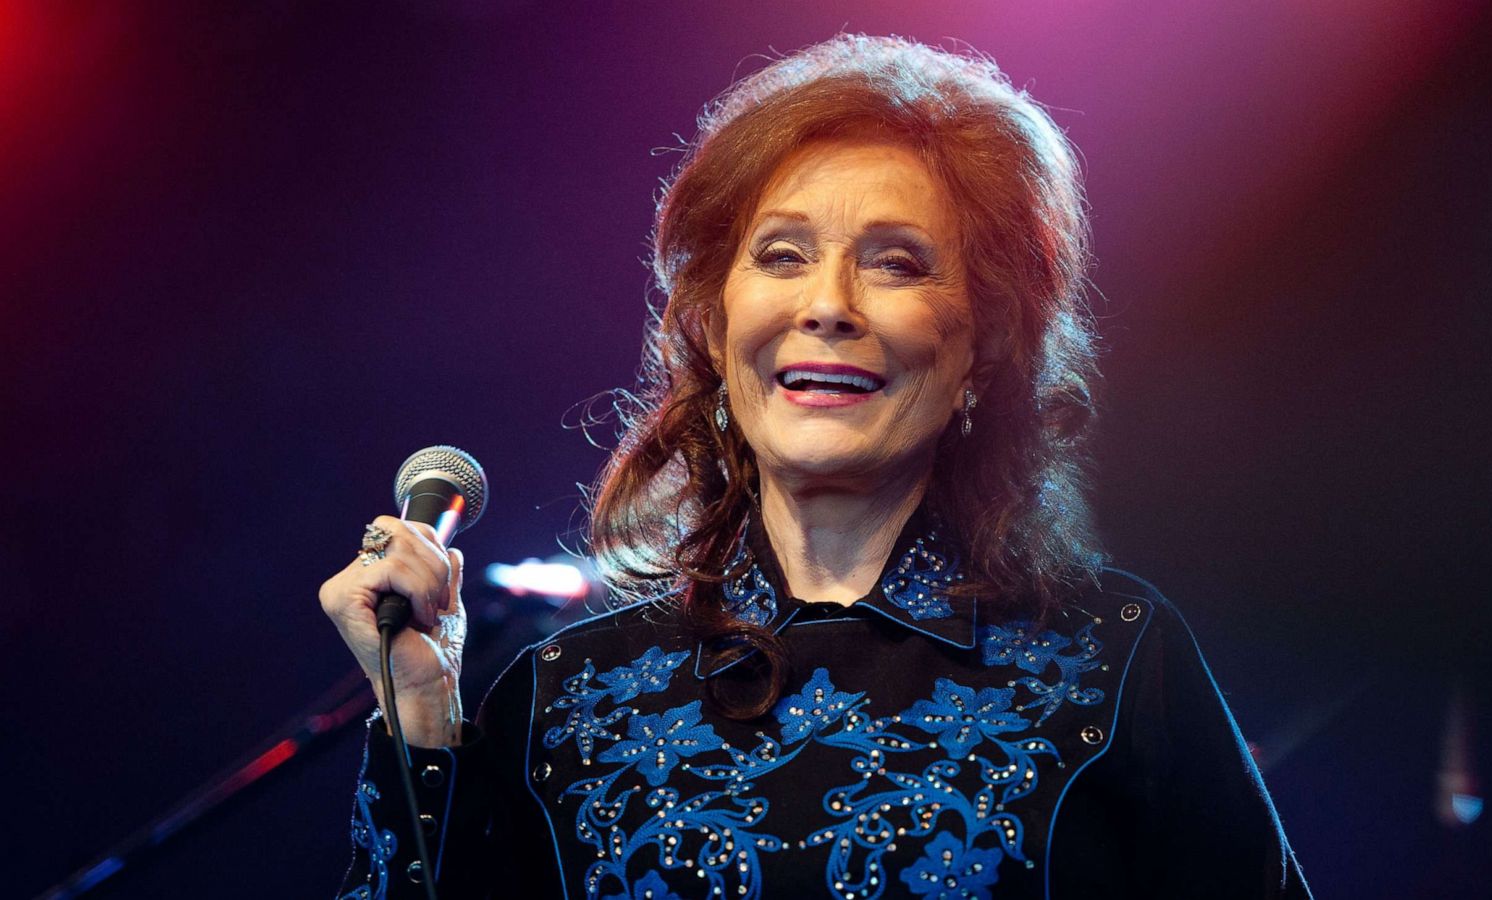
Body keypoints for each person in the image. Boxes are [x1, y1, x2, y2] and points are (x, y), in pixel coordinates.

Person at [321, 35, 1311, 900]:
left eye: (896, 262)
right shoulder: (567, 693)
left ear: (986, 339)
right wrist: (416, 719)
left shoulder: (1111, 658)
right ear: (713, 321)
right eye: (784, 255)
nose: (828, 304)